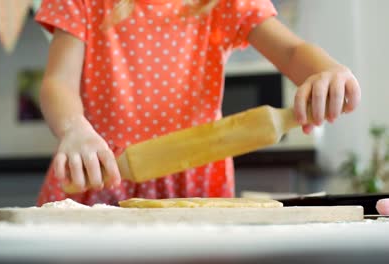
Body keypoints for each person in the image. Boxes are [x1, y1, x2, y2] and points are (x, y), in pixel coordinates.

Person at [34, 0, 361, 206]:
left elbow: (291, 52)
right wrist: (74, 127)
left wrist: (326, 71)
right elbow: (57, 82)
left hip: (194, 188)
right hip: (100, 175)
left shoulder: (222, 3)